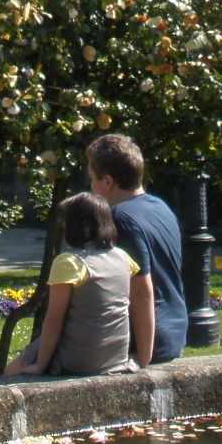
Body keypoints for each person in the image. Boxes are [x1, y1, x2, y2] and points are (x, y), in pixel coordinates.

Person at [7, 192, 140, 376]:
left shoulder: (69, 262)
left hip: (79, 361)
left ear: (74, 226)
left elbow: (54, 321)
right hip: (114, 359)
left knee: (10, 371)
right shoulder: (123, 257)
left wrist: (40, 365)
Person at [86, 133, 185, 365]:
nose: (91, 187)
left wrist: (142, 356)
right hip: (174, 331)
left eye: (93, 179)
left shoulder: (120, 218)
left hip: (146, 341)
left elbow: (142, 290)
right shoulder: (160, 207)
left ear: (108, 182)